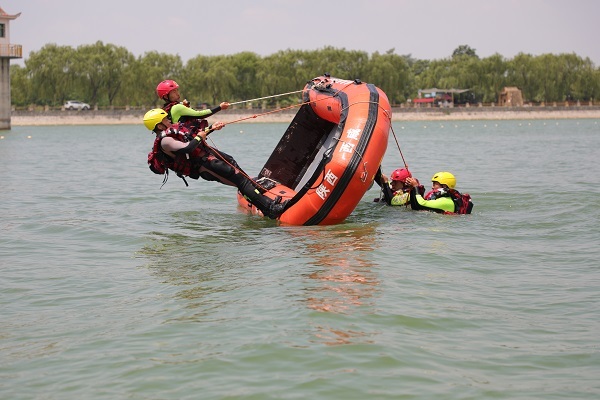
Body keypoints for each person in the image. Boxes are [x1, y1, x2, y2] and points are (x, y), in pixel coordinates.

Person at [143, 108, 288, 219]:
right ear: (159, 126)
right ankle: (270, 209)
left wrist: (212, 128)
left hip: (208, 158)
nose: (169, 120)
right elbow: (188, 147)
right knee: (241, 182)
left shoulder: (172, 132)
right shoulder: (165, 141)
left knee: (241, 177)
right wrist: (199, 137)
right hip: (205, 166)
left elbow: (192, 137)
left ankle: (265, 202)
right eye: (166, 119)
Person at [156, 80, 230, 131]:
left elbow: (191, 130)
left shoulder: (166, 109)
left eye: (177, 90)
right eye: (174, 92)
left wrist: (212, 127)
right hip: (188, 143)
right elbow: (200, 114)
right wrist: (220, 107)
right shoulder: (177, 107)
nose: (178, 94)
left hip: (185, 141)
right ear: (166, 96)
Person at [405, 171, 473, 214]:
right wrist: (412, 189)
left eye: (435, 184)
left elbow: (420, 204)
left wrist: (415, 186)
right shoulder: (441, 198)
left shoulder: (446, 201)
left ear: (444, 186)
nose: (432, 187)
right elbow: (415, 208)